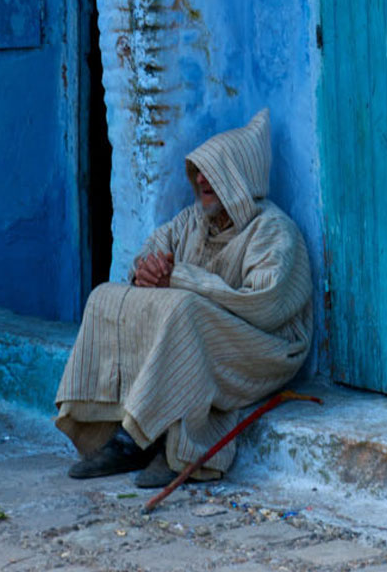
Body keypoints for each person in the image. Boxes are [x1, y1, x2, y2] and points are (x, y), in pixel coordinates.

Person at [54, 109, 310, 488]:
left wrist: (180, 278)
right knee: (106, 297)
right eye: (198, 171)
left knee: (184, 309)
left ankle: (176, 448)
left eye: (212, 172)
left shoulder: (273, 231)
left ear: (239, 178)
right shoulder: (191, 221)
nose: (201, 180)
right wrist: (146, 271)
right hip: (210, 336)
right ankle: (122, 432)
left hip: (266, 350)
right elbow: (154, 250)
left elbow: (265, 306)